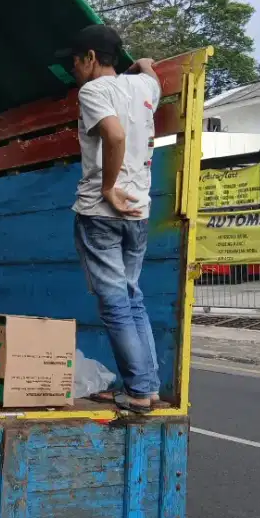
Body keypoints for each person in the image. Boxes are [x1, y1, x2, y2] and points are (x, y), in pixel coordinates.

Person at [57, 24, 161, 414]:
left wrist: (107, 188)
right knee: (133, 299)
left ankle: (136, 391)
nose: (73, 69)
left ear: (91, 58)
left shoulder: (94, 91)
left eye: (75, 61)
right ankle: (147, 389)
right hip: (138, 211)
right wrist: (145, 65)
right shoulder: (147, 89)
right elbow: (150, 74)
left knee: (116, 304)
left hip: (102, 213)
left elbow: (113, 136)